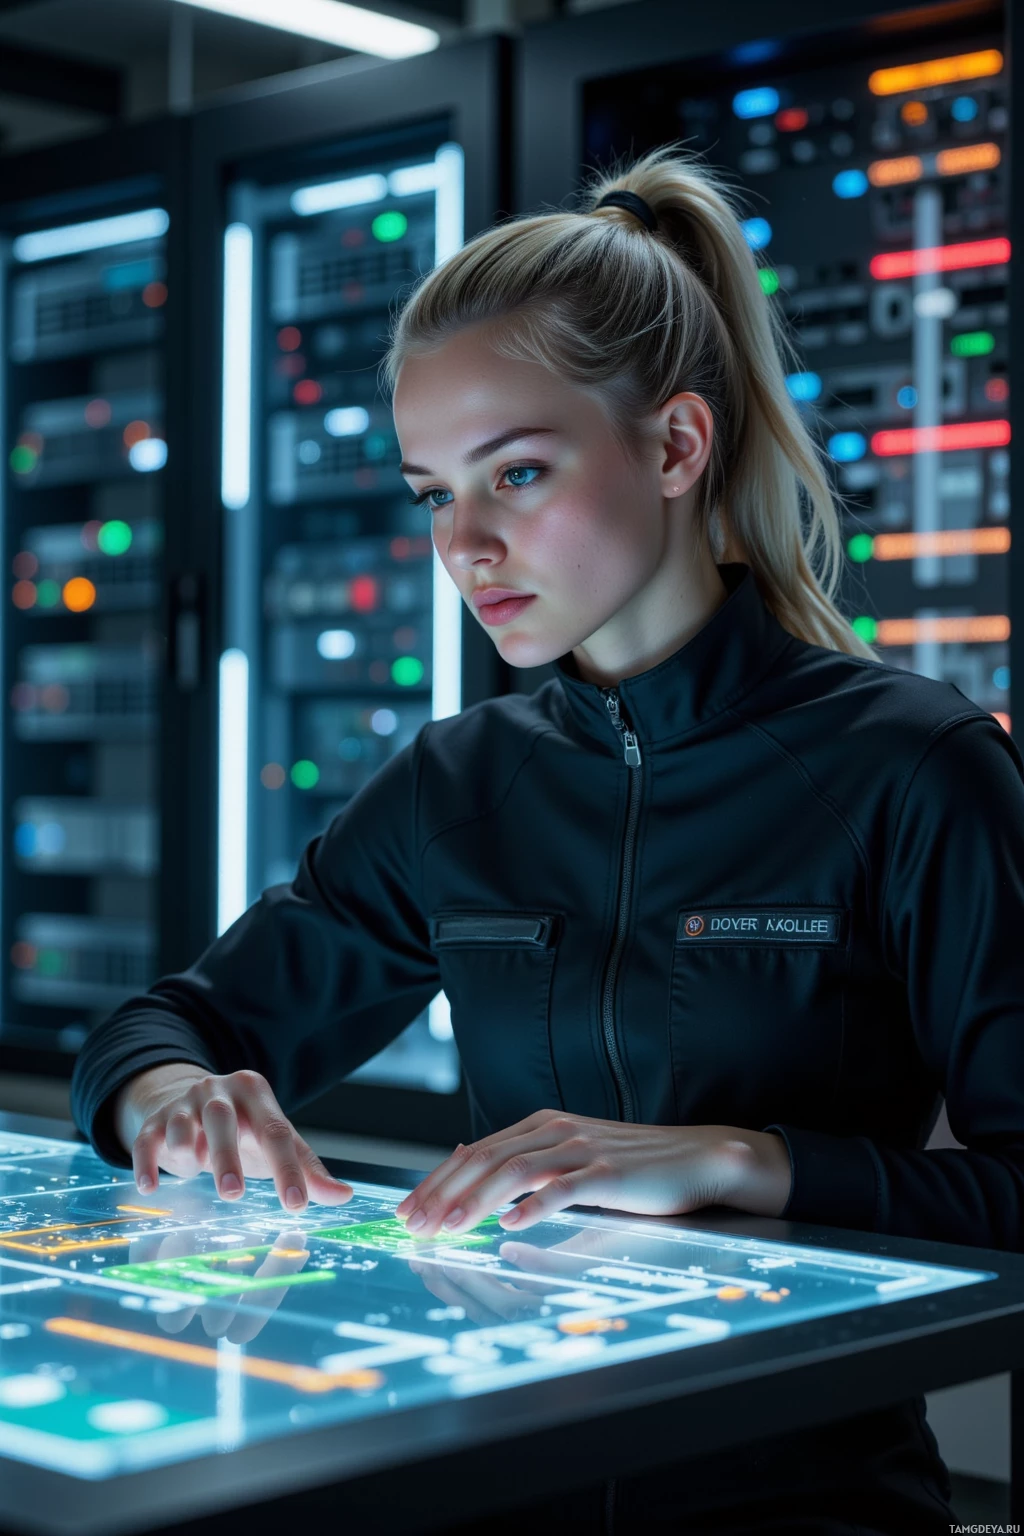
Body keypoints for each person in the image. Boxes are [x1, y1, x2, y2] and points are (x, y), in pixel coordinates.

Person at [71, 145, 1024, 1534]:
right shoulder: (456, 785)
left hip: (800, 1507)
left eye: (514, 474)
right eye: (431, 493)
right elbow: (166, 1024)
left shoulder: (912, 767)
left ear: (677, 446)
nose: (464, 544)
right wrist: (173, 1098)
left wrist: (745, 1161)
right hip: (493, 1485)